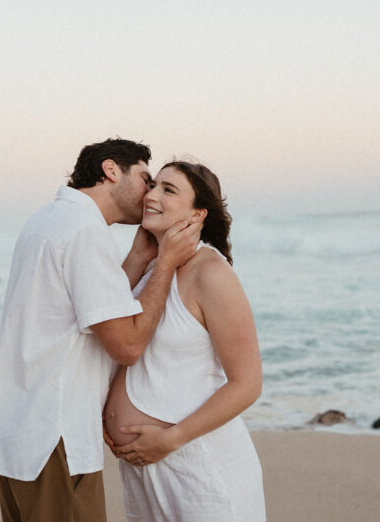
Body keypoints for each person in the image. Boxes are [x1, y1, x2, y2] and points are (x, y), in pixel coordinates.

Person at [0, 138, 204, 522]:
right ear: (111, 170)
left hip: (23, 429)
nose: (150, 194)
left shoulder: (48, 220)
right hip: (54, 434)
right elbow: (128, 345)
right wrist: (165, 263)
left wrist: (138, 258)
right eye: (146, 179)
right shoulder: (85, 230)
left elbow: (90, 309)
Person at [103, 160, 266, 521]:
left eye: (169, 190)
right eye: (153, 185)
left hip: (198, 467)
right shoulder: (150, 270)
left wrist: (170, 440)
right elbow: (107, 330)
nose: (151, 195)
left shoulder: (211, 273)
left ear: (197, 214)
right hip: (144, 469)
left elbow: (247, 384)